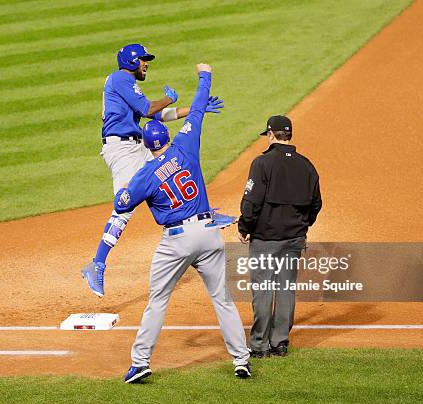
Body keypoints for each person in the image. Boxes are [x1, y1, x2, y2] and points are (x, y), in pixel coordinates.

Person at [114, 63, 251, 383]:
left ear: (147, 145)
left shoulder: (144, 176)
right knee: (223, 298)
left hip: (176, 240)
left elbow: (122, 204)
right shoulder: (185, 145)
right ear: (166, 136)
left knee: (157, 301)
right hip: (208, 232)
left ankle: (140, 362)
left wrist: (128, 190)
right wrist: (205, 75)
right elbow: (198, 111)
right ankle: (241, 359)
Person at [81, 43, 223, 297]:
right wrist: (170, 97)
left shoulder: (124, 85)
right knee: (124, 207)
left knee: (175, 165)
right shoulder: (120, 78)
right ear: (133, 62)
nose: (146, 64)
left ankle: (205, 216)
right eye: (144, 60)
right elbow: (149, 109)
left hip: (136, 146)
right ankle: (97, 264)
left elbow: (157, 117)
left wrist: (196, 109)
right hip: (123, 151)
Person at [237, 115, 322, 358]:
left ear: (271, 135)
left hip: (266, 239)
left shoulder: (262, 163)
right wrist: (302, 227)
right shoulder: (307, 165)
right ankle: (280, 343)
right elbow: (316, 204)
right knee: (285, 289)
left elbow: (251, 201)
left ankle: (259, 345)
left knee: (263, 289)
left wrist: (245, 226)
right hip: (294, 239)